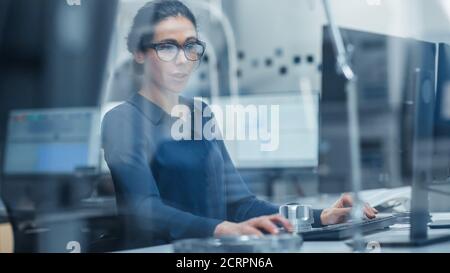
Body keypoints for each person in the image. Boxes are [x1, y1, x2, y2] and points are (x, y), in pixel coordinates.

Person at [101, 0, 377, 247]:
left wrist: (319, 216)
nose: (183, 60)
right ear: (139, 53)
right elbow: (145, 209)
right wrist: (222, 229)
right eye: (167, 47)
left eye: (190, 46)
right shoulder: (121, 120)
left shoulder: (200, 113)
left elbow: (240, 204)